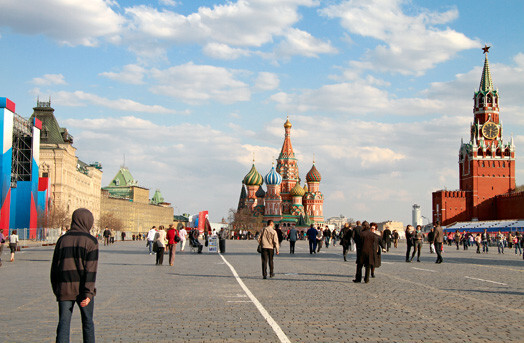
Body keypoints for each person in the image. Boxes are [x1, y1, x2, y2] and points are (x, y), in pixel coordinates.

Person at [51, 208, 98, 343]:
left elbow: (55, 268)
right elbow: (91, 270)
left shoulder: (62, 240)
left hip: (64, 289)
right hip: (83, 290)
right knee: (88, 323)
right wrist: (89, 293)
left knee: (63, 324)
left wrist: (57, 289)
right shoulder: (91, 241)